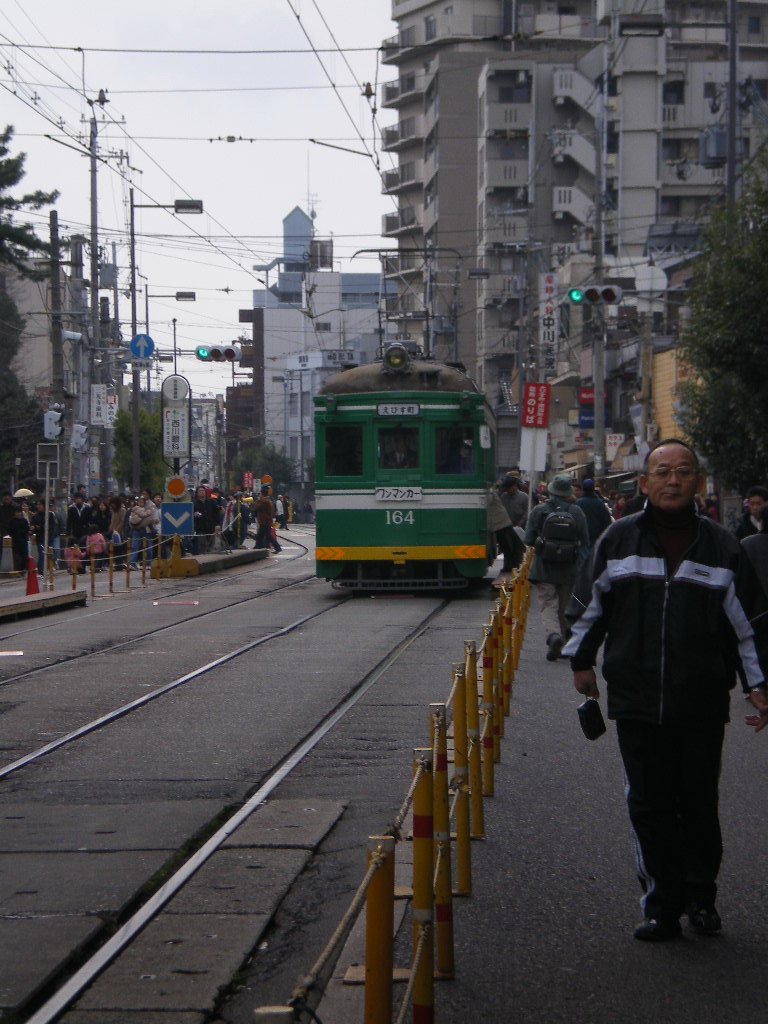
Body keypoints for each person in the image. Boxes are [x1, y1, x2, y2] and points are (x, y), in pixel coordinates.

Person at [564, 438, 768, 942]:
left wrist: (760, 684)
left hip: (701, 701)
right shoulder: (618, 541)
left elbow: (750, 627)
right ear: (644, 482)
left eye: (683, 472)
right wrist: (581, 660)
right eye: (662, 472)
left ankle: (702, 898)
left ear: (696, 480)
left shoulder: (724, 547)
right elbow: (589, 606)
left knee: (699, 802)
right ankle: (662, 905)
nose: (673, 480)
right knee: (650, 805)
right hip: (635, 700)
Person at [523, 473, 589, 661]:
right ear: (568, 492)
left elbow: (527, 539)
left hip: (544, 566)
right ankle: (564, 643)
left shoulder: (539, 510)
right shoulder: (577, 512)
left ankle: (553, 636)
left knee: (548, 604)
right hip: (569, 567)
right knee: (564, 605)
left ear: (551, 491)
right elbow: (585, 540)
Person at [487, 488, 524, 580]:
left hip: (500, 523)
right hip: (501, 522)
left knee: (508, 546)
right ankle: (512, 565)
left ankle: (512, 565)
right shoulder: (491, 492)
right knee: (508, 546)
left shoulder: (489, 492)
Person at [576, 477, 613, 550]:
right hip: (597, 539)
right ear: (593, 489)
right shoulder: (600, 503)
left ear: (583, 489)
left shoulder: (578, 503)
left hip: (581, 541)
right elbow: (607, 522)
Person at [192, 485, 221, 554]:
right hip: (200, 529)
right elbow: (191, 516)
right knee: (202, 548)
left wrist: (218, 524)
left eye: (203, 491)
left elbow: (217, 514)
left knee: (213, 547)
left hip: (211, 528)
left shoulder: (211, 502)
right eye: (199, 491)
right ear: (197, 493)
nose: (201, 492)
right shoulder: (194, 504)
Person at [254, 485, 281, 553]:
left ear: (263, 494)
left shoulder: (265, 502)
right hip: (265, 521)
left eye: (260, 494)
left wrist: (257, 500)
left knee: (268, 536)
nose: (260, 495)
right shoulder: (267, 501)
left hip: (265, 522)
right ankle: (257, 547)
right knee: (260, 536)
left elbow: (257, 507)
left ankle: (277, 547)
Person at [7, 503, 30, 572]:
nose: (17, 514)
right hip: (15, 541)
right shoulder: (12, 521)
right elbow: (9, 530)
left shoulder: (24, 521)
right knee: (17, 557)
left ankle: (24, 569)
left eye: (19, 512)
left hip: (23, 541)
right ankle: (18, 569)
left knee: (24, 556)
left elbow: (27, 529)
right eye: (16, 512)